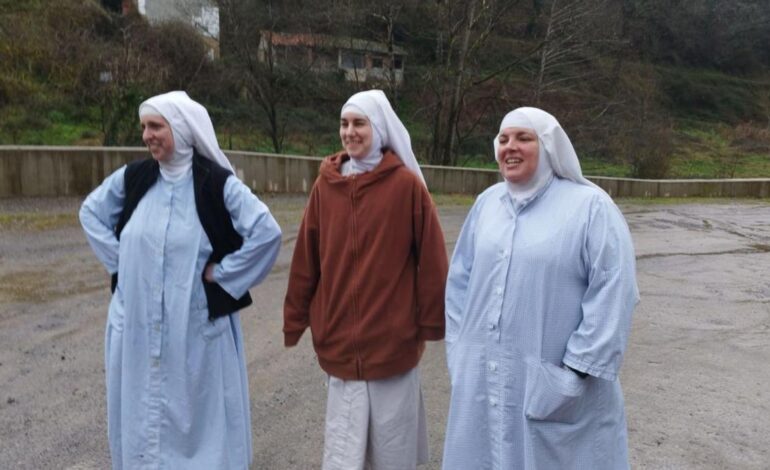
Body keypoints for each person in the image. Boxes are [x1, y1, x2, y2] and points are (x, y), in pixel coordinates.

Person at [79, 91, 282, 469]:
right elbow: (91, 213)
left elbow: (266, 233)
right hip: (137, 326)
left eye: (156, 126)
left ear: (182, 129)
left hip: (194, 330)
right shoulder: (134, 179)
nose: (147, 136)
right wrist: (122, 263)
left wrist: (224, 275)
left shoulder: (215, 185)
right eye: (144, 127)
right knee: (143, 417)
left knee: (198, 422)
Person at [442, 107, 640, 470]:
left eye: (523, 138)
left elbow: (615, 290)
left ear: (548, 146)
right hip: (482, 376)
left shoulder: (590, 208)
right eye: (503, 139)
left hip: (558, 384)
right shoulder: (487, 204)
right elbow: (459, 282)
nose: (510, 147)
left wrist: (575, 372)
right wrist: (459, 350)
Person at [283, 89, 448, 470]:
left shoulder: (406, 187)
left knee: (392, 449)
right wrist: (297, 318)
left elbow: (432, 259)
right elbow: (306, 258)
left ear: (378, 128)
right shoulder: (326, 186)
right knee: (344, 452)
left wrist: (428, 322)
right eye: (344, 123)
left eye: (359, 123)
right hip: (340, 342)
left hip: (392, 344)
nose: (350, 132)